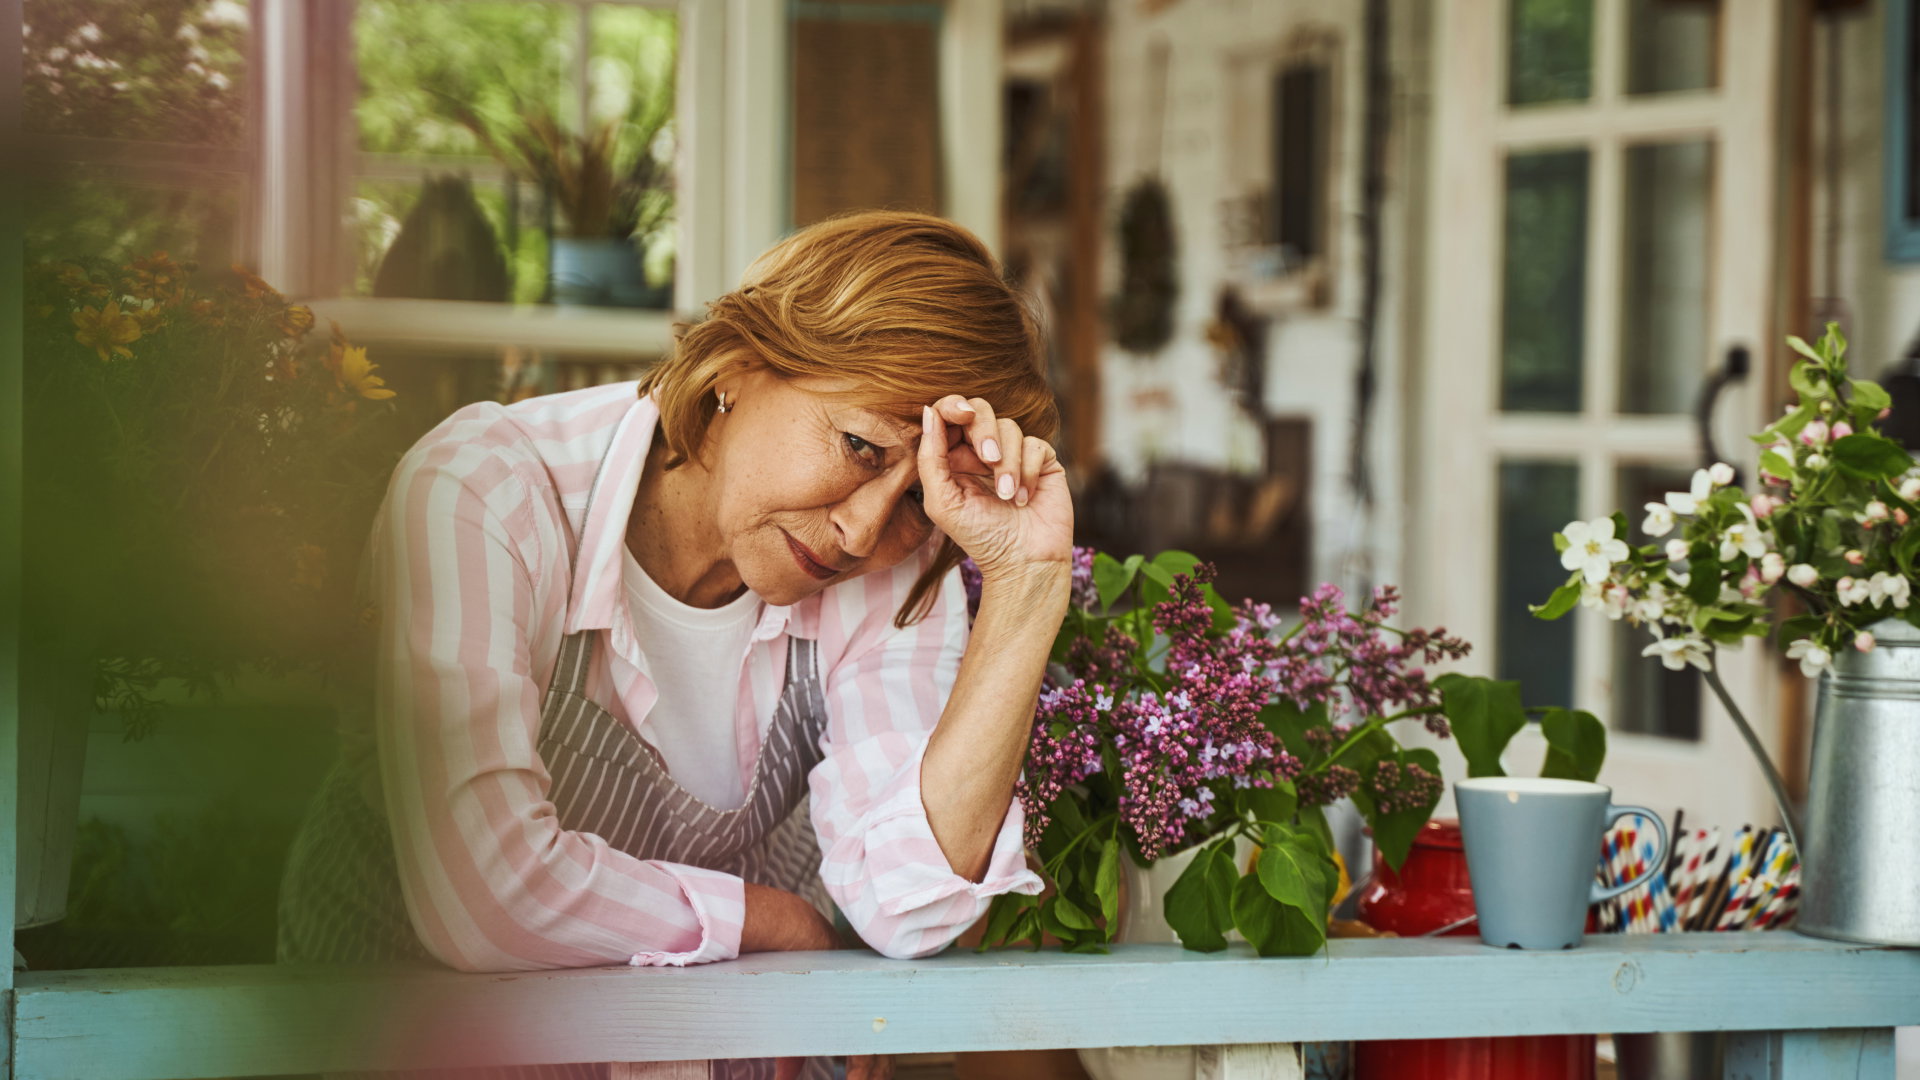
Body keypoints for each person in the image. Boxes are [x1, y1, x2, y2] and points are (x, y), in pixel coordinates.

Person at [277, 211, 1073, 1080]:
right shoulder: (486, 493)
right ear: (738, 367)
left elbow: (908, 906)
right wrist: (764, 920)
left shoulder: (889, 566)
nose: (859, 529)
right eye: (857, 446)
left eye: (918, 497)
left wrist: (1027, 586)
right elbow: (487, 898)